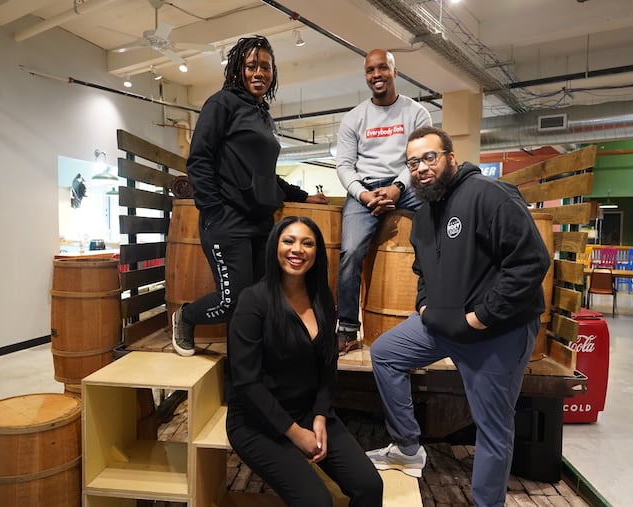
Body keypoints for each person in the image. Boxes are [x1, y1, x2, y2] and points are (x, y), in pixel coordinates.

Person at [366, 126, 551, 507]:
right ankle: (407, 446)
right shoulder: (425, 214)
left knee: (493, 429)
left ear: (451, 158)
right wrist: (423, 307)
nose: (421, 168)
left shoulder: (489, 195)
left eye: (429, 157)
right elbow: (423, 270)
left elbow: (531, 263)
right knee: (385, 353)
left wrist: (480, 318)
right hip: (444, 324)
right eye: (413, 161)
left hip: (496, 331)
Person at [172, 35, 327, 356]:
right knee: (232, 302)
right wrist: (213, 210)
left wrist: (301, 195)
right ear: (237, 69)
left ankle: (245, 368)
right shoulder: (221, 103)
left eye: (266, 67)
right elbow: (199, 160)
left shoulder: (261, 113)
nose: (259, 73)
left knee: (259, 299)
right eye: (251, 66)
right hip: (227, 220)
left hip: (261, 224)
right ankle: (185, 316)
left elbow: (266, 174)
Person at [226, 216, 383, 507]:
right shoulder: (253, 301)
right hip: (257, 422)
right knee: (316, 501)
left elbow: (327, 366)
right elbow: (246, 382)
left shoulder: (322, 298)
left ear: (316, 252)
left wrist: (321, 415)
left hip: (309, 412)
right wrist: (296, 434)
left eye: (307, 243)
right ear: (275, 246)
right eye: (289, 241)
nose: (297, 249)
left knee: (370, 486)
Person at [335, 48, 432, 355]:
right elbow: (344, 166)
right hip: (364, 191)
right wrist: (363, 194)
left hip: (409, 184)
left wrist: (398, 187)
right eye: (369, 70)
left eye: (382, 68)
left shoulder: (416, 113)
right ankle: (348, 329)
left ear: (394, 71)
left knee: (439, 229)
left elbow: (420, 157)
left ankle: (441, 313)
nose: (376, 75)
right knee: (350, 253)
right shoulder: (354, 118)